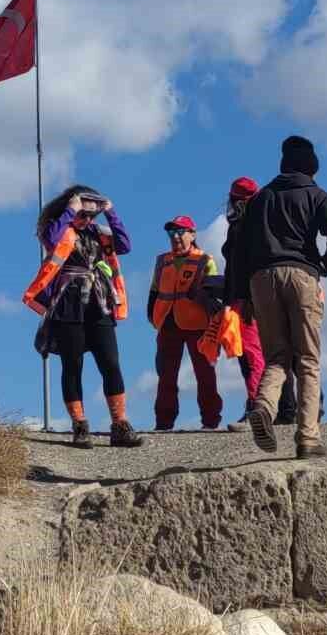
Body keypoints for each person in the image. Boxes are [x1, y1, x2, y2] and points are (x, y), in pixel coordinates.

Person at [229, 136, 327, 459]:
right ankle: (307, 438)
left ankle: (264, 407)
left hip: (261, 279)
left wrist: (243, 295)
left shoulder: (261, 199)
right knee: (307, 359)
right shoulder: (316, 195)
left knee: (277, 356)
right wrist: (325, 263)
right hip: (301, 275)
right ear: (312, 168)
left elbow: (240, 249)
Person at [23, 185, 145, 449]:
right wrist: (71, 210)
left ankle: (120, 424)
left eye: (91, 214)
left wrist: (110, 212)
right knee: (72, 365)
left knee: (110, 362)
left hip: (99, 301)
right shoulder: (57, 229)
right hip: (68, 303)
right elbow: (53, 240)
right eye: (83, 213)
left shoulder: (98, 233)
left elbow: (124, 245)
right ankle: (80, 425)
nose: (87, 219)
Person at [148, 215, 222, 430]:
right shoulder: (162, 261)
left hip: (198, 324)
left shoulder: (204, 260)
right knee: (166, 375)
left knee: (205, 374)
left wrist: (200, 294)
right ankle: (163, 422)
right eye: (172, 233)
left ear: (193, 234)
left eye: (181, 232)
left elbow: (214, 293)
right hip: (168, 323)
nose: (176, 237)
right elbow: (154, 291)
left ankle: (210, 421)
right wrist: (152, 315)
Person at [217, 177, 266, 432]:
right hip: (243, 298)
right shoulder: (250, 225)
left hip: (247, 300)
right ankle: (271, 408)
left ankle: (256, 408)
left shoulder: (246, 227)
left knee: (251, 354)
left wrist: (243, 298)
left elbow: (241, 266)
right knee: (253, 353)